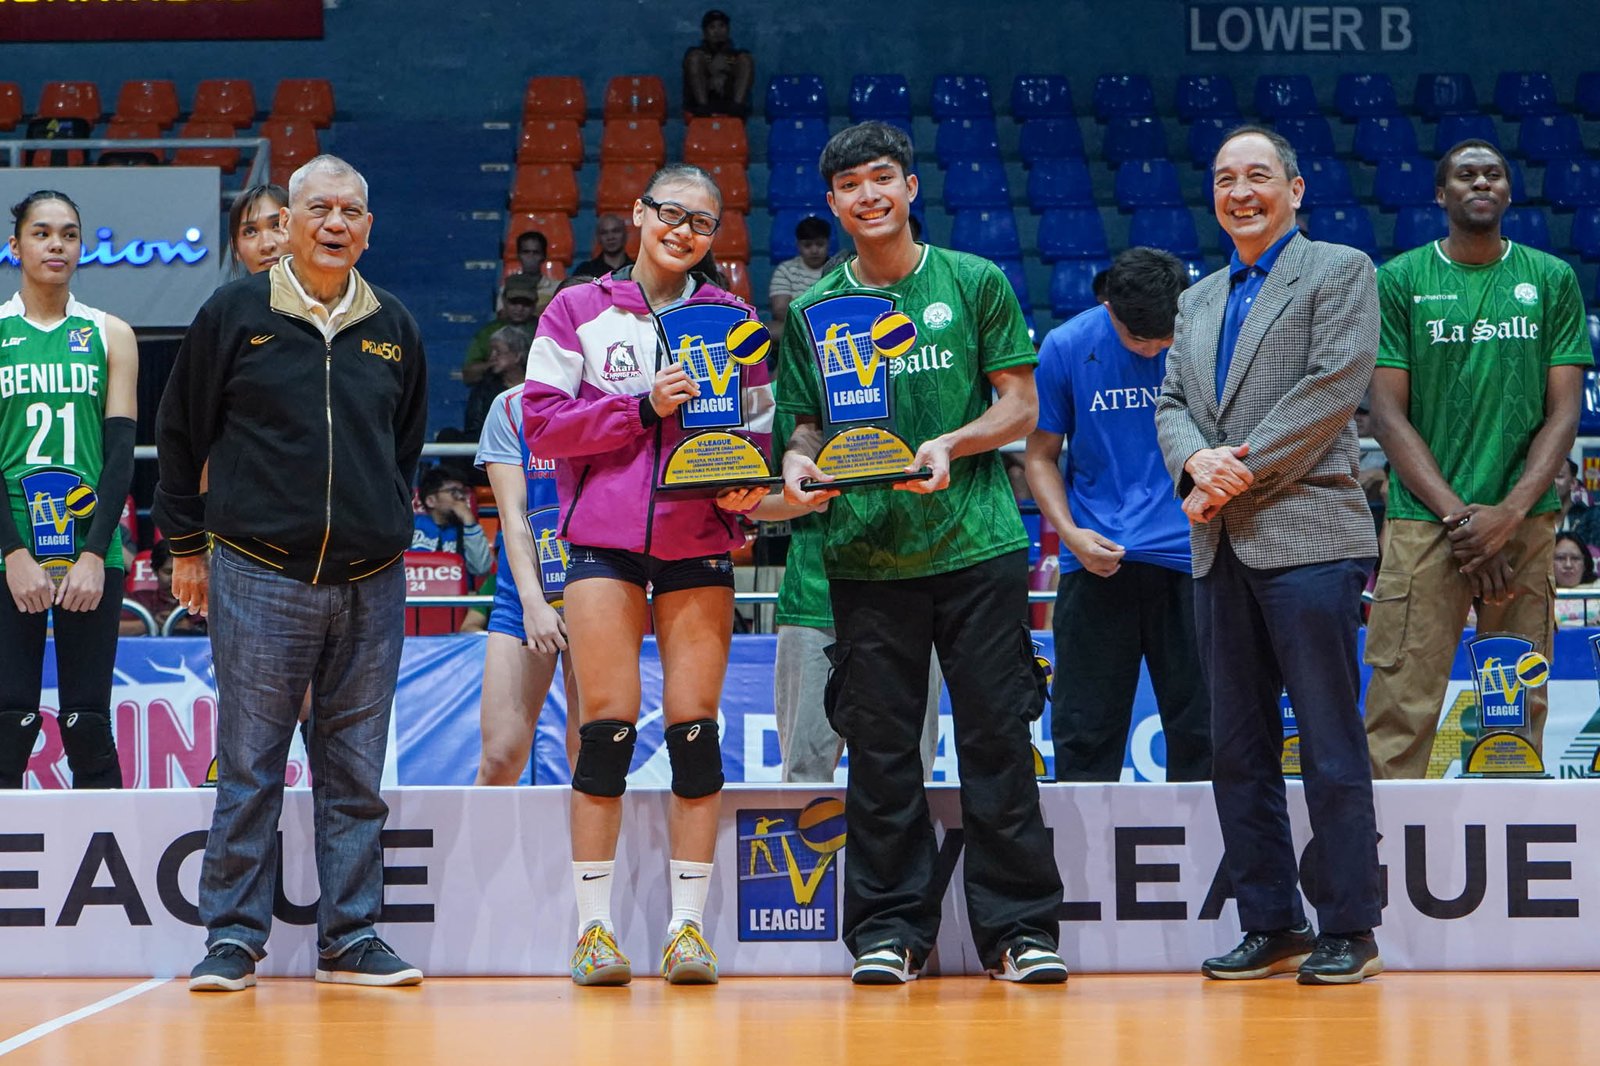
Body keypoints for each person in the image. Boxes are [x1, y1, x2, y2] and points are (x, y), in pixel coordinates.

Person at [777, 122, 1066, 985]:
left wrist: (953, 443)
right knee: (881, 752)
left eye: (881, 179)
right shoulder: (814, 309)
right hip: (866, 556)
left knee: (997, 744)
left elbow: (1019, 405)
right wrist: (796, 462)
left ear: (908, 188)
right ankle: (889, 933)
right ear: (831, 204)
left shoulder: (973, 282)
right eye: (849, 186)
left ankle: (1019, 932)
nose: (867, 196)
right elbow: (802, 421)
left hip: (977, 549)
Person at [154, 155, 428, 992]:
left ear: (369, 228)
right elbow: (179, 430)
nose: (335, 223)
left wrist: (385, 523)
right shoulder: (236, 311)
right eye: (319, 209)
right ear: (292, 220)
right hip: (259, 573)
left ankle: (351, 937)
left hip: (372, 579)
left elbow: (402, 448)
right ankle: (233, 937)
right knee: (250, 762)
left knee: (356, 771)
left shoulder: (395, 325)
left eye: (351, 210)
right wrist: (186, 544)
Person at [523, 162, 775, 987]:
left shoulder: (735, 322)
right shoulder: (576, 310)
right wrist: (641, 408)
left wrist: (746, 491)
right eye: (671, 213)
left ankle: (687, 932)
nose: (684, 231)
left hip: (698, 542)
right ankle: (594, 932)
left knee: (695, 733)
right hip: (602, 543)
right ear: (638, 214)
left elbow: (758, 438)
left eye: (702, 224)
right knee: (607, 728)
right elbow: (543, 426)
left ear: (714, 238)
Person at [1154, 125, 1382, 985]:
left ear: (1295, 188)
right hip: (1219, 545)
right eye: (1224, 179)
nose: (1239, 191)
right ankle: (1270, 919)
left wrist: (1227, 472)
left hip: (1309, 535)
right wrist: (1191, 461)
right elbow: (1172, 399)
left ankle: (1351, 925)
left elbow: (1332, 388)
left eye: (1257, 176)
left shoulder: (1339, 270)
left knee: (1328, 742)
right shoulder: (1199, 295)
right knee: (1238, 748)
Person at [1363, 138, 1590, 779]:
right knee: (1400, 706)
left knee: (1514, 710)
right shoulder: (1401, 280)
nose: (1481, 182)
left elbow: (1564, 413)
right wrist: (1466, 522)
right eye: (1466, 175)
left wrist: (1508, 515)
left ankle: (1513, 858)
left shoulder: (1551, 279)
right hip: (1423, 521)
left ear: (1509, 192)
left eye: (1494, 173)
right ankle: (1384, 860)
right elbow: (1387, 415)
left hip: (1524, 521)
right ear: (1441, 195)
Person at [1024, 247, 1210, 783]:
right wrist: (1071, 535)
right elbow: (1039, 456)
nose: (1153, 349)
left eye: (1163, 339)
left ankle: (1211, 864)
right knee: (1085, 731)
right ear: (1109, 308)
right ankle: (1083, 868)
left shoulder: (1209, 339)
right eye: (1138, 340)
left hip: (1194, 560)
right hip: (1099, 562)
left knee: (1207, 732)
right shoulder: (1067, 345)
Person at [0, 190, 138, 791]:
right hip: (8, 549)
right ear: (16, 246)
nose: (57, 244)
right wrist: (13, 553)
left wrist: (93, 555)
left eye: (69, 234)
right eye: (42, 232)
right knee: (8, 721)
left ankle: (103, 874)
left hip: (88, 547)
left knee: (86, 722)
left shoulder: (111, 333)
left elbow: (120, 455)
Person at [771, 409, 942, 783]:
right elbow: (757, 503)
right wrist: (804, 498)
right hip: (815, 596)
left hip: (912, 588)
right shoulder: (800, 381)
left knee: (911, 773)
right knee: (805, 776)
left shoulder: (921, 370)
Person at [474, 378, 579, 782]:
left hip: (600, 587)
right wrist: (534, 604)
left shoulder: (612, 397)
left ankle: (592, 849)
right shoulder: (511, 406)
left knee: (592, 754)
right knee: (501, 755)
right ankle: (479, 849)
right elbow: (512, 516)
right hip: (524, 594)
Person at [411, 466, 493, 580]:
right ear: (431, 501)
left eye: (463, 492)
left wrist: (470, 523)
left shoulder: (468, 530)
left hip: (455, 596)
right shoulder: (410, 526)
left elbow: (482, 569)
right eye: (453, 492)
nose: (460, 497)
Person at [463, 272, 541, 387]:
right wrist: (496, 363)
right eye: (514, 302)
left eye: (526, 303)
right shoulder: (488, 332)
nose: (519, 308)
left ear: (535, 304)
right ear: (504, 301)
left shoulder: (545, 330)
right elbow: (469, 374)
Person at [121, 539, 205, 637]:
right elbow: (112, 629)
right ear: (155, 571)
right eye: (168, 572)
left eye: (183, 572)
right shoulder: (139, 600)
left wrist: (191, 627)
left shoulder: (203, 601)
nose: (175, 579)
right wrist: (150, 624)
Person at [463, 323, 532, 440]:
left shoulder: (537, 386)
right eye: (491, 351)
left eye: (498, 352)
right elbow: (474, 427)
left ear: (517, 356)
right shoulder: (484, 388)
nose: (492, 357)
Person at [768, 217, 833, 340]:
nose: (814, 250)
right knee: (767, 331)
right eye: (807, 245)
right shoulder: (785, 269)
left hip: (831, 325)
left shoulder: (838, 270)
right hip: (796, 326)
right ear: (798, 246)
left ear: (828, 243)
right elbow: (780, 310)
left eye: (820, 244)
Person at [683, 9, 754, 118]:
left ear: (728, 30)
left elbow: (731, 61)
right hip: (700, 107)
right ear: (705, 33)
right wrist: (715, 74)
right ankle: (703, 108)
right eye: (712, 27)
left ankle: (737, 108)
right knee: (694, 58)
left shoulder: (737, 55)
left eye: (721, 26)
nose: (718, 31)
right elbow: (704, 62)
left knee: (745, 60)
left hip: (730, 105)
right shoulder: (696, 53)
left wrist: (723, 74)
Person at [227, 183, 288, 277]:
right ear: (235, 248)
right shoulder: (227, 292)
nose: (267, 245)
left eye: (277, 225)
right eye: (250, 231)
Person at [1553, 531, 1599, 628]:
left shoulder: (1597, 587)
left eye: (1575, 558)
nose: (1568, 565)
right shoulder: (1539, 591)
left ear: (1585, 563)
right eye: (1560, 558)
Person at [511, 230, 559, 313]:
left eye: (536, 252)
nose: (531, 257)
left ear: (543, 256)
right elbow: (504, 317)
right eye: (526, 252)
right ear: (518, 256)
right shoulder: (508, 287)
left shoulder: (557, 289)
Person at [572, 214, 633, 279]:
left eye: (616, 231)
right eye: (604, 233)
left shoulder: (635, 269)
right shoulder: (585, 271)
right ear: (598, 238)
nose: (610, 237)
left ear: (625, 235)